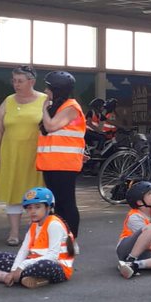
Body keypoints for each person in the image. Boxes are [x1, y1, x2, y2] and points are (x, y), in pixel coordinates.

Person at [0, 65, 47, 246]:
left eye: (20, 81)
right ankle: (14, 233)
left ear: (32, 81)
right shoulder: (8, 101)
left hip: (35, 155)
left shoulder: (45, 100)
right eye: (14, 81)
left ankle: (35, 232)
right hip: (11, 154)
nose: (16, 84)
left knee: (35, 193)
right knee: (13, 192)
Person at [0, 187, 76, 289]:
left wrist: (23, 265)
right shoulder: (34, 225)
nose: (33, 211)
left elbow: (53, 257)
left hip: (57, 266)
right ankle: (22, 277)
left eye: (37, 207)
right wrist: (14, 269)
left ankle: (5, 277)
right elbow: (24, 249)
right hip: (32, 261)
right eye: (29, 208)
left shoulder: (54, 224)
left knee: (44, 265)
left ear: (48, 208)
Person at [37, 70, 85, 238]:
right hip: (52, 163)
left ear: (57, 90)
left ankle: (72, 239)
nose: (45, 91)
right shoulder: (58, 107)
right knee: (57, 203)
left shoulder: (71, 107)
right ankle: (60, 237)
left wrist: (43, 109)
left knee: (67, 203)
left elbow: (50, 127)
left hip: (64, 163)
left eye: (48, 88)